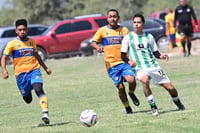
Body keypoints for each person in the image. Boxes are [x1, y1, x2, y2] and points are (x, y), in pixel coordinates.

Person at [121, 14, 185, 116]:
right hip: (139, 67)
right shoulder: (128, 38)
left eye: (138, 22)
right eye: (134, 22)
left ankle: (178, 102)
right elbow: (123, 55)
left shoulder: (149, 36)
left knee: (170, 88)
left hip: (153, 66)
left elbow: (155, 52)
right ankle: (153, 106)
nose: (136, 24)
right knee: (145, 80)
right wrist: (129, 62)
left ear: (143, 24)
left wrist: (161, 56)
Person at [1, 19, 52, 124]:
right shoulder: (12, 44)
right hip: (21, 76)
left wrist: (45, 68)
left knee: (39, 89)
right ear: (16, 31)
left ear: (27, 30)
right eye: (20, 30)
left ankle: (45, 113)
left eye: (24, 29)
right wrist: (4, 70)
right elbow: (3, 58)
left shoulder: (32, 42)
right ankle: (27, 92)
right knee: (27, 99)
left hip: (34, 70)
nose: (22, 32)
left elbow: (37, 55)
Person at [91, 9, 139, 114]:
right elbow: (93, 42)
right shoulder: (102, 31)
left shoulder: (124, 30)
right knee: (120, 87)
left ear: (118, 18)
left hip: (124, 62)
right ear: (107, 18)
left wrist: (132, 59)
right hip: (111, 65)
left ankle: (131, 93)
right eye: (110, 16)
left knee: (131, 80)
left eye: (115, 16)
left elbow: (131, 45)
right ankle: (127, 107)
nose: (113, 18)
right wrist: (97, 47)